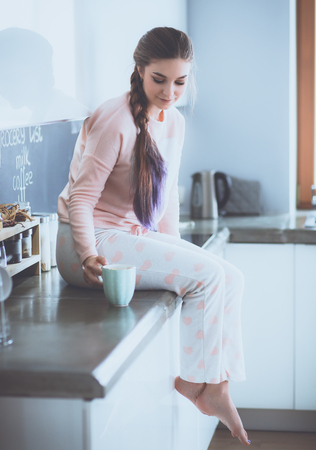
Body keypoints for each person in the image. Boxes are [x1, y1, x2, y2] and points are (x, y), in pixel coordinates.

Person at [56, 27, 250, 446]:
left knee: (230, 277)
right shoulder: (115, 118)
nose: (169, 91)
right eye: (159, 79)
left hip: (129, 237)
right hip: (86, 245)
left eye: (180, 82)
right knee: (209, 277)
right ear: (140, 70)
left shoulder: (174, 123)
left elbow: (164, 205)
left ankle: (217, 384)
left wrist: (178, 249)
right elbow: (82, 200)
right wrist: (87, 254)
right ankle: (200, 383)